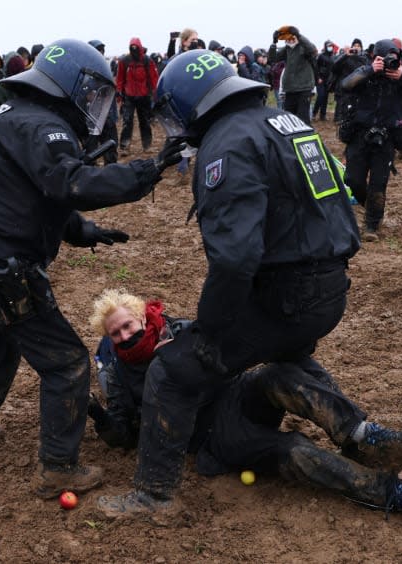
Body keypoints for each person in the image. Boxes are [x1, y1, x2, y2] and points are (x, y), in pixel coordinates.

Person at [96, 49, 361, 517]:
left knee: (173, 371)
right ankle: (363, 435)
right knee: (290, 357)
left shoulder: (227, 142)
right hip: (332, 289)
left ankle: (154, 496)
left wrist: (210, 333)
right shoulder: (288, 123)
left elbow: (236, 261)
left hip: (284, 296)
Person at [0, 39, 185, 499]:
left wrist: (85, 232)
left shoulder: (10, 116)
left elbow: (28, 199)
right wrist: (146, 171)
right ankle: (58, 466)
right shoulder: (42, 125)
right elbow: (70, 183)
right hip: (4, 273)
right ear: (71, 84)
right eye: (92, 92)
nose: (94, 104)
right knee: (68, 364)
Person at [89, 289, 402, 529]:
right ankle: (399, 494)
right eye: (115, 334)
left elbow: (226, 354)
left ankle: (365, 438)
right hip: (215, 435)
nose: (124, 336)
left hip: (235, 393)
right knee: (294, 451)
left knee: (279, 376)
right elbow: (123, 435)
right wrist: (98, 415)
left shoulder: (180, 329)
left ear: (142, 317)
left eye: (127, 325)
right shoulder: (119, 374)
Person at [340, 39, 402, 241]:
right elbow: (345, 85)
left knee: (378, 185)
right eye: (384, 57)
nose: (390, 61)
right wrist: (370, 70)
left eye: (394, 57)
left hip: (387, 136)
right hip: (359, 134)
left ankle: (372, 226)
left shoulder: (401, 78)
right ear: (375, 57)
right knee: (352, 179)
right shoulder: (365, 72)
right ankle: (369, 206)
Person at [116, 38, 158, 154]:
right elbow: (120, 78)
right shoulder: (124, 61)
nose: (134, 50)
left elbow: (153, 77)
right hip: (129, 96)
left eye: (136, 48)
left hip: (144, 96)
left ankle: (147, 145)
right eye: (132, 48)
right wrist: (119, 92)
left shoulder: (147, 60)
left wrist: (154, 93)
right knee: (127, 121)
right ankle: (124, 147)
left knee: (144, 121)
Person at [268, 25, 317, 124]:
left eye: (292, 38)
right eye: (288, 39)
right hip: (290, 89)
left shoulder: (304, 47)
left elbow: (312, 49)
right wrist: (274, 43)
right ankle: (291, 138)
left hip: (304, 88)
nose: (290, 40)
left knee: (303, 117)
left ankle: (305, 137)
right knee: (290, 118)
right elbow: (272, 58)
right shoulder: (286, 49)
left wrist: (298, 35)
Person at [313, 41, 336, 121]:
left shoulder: (332, 57)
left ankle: (323, 115)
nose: (330, 47)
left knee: (325, 98)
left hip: (328, 80)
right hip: (320, 79)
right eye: (328, 46)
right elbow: (316, 67)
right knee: (320, 96)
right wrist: (318, 77)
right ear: (325, 46)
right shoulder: (321, 56)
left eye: (331, 46)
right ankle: (314, 113)